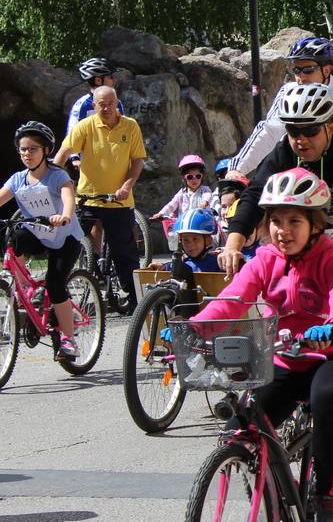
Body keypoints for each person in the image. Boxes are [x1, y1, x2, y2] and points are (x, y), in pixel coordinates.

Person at [192, 168, 333, 522]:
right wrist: (195, 328)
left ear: (316, 224)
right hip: (286, 358)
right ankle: (270, 494)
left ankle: (327, 501)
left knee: (325, 398)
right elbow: (232, 301)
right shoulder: (266, 259)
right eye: (275, 221)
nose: (282, 230)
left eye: (294, 221)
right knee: (242, 425)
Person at [219, 82, 333, 404]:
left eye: (310, 131)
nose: (301, 140)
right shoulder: (285, 152)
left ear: (330, 125)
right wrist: (234, 242)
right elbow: (255, 194)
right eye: (293, 131)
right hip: (311, 231)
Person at [51, 86, 146, 314]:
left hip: (119, 201)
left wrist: (127, 185)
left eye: (110, 103)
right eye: (101, 104)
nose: (106, 108)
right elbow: (63, 154)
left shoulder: (130, 126)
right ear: (93, 106)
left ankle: (136, 302)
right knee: (69, 243)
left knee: (125, 254)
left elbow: (137, 161)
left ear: (117, 103)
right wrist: (54, 180)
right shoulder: (85, 126)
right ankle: (61, 292)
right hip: (88, 199)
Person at [228, 37, 333, 178]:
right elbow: (269, 132)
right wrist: (236, 170)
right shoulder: (288, 92)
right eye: (296, 70)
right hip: (298, 177)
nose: (300, 77)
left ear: (327, 70)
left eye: (308, 70)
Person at [0, 121, 84, 359]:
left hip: (65, 237)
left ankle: (68, 339)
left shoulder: (57, 175)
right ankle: (23, 288)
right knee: (13, 238)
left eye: (33, 149)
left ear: (46, 150)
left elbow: (69, 197)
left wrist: (65, 215)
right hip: (38, 234)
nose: (27, 154)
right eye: (23, 149)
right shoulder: (18, 179)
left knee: (56, 283)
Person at [63, 57, 122, 175]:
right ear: (98, 81)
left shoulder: (117, 103)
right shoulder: (82, 105)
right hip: (88, 166)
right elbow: (72, 133)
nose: (114, 80)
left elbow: (123, 128)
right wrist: (74, 158)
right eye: (110, 77)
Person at [150, 154, 214, 233]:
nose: (194, 179)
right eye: (190, 177)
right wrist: (161, 214)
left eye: (198, 176)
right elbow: (172, 204)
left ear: (202, 177)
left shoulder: (204, 190)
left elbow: (208, 196)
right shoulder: (182, 193)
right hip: (185, 226)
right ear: (184, 178)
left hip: (202, 225)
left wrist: (205, 202)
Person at [149, 209, 221, 273]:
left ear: (208, 240)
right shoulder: (182, 263)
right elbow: (172, 267)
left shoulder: (218, 262)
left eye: (195, 239)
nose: (190, 244)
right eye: (185, 240)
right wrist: (162, 267)